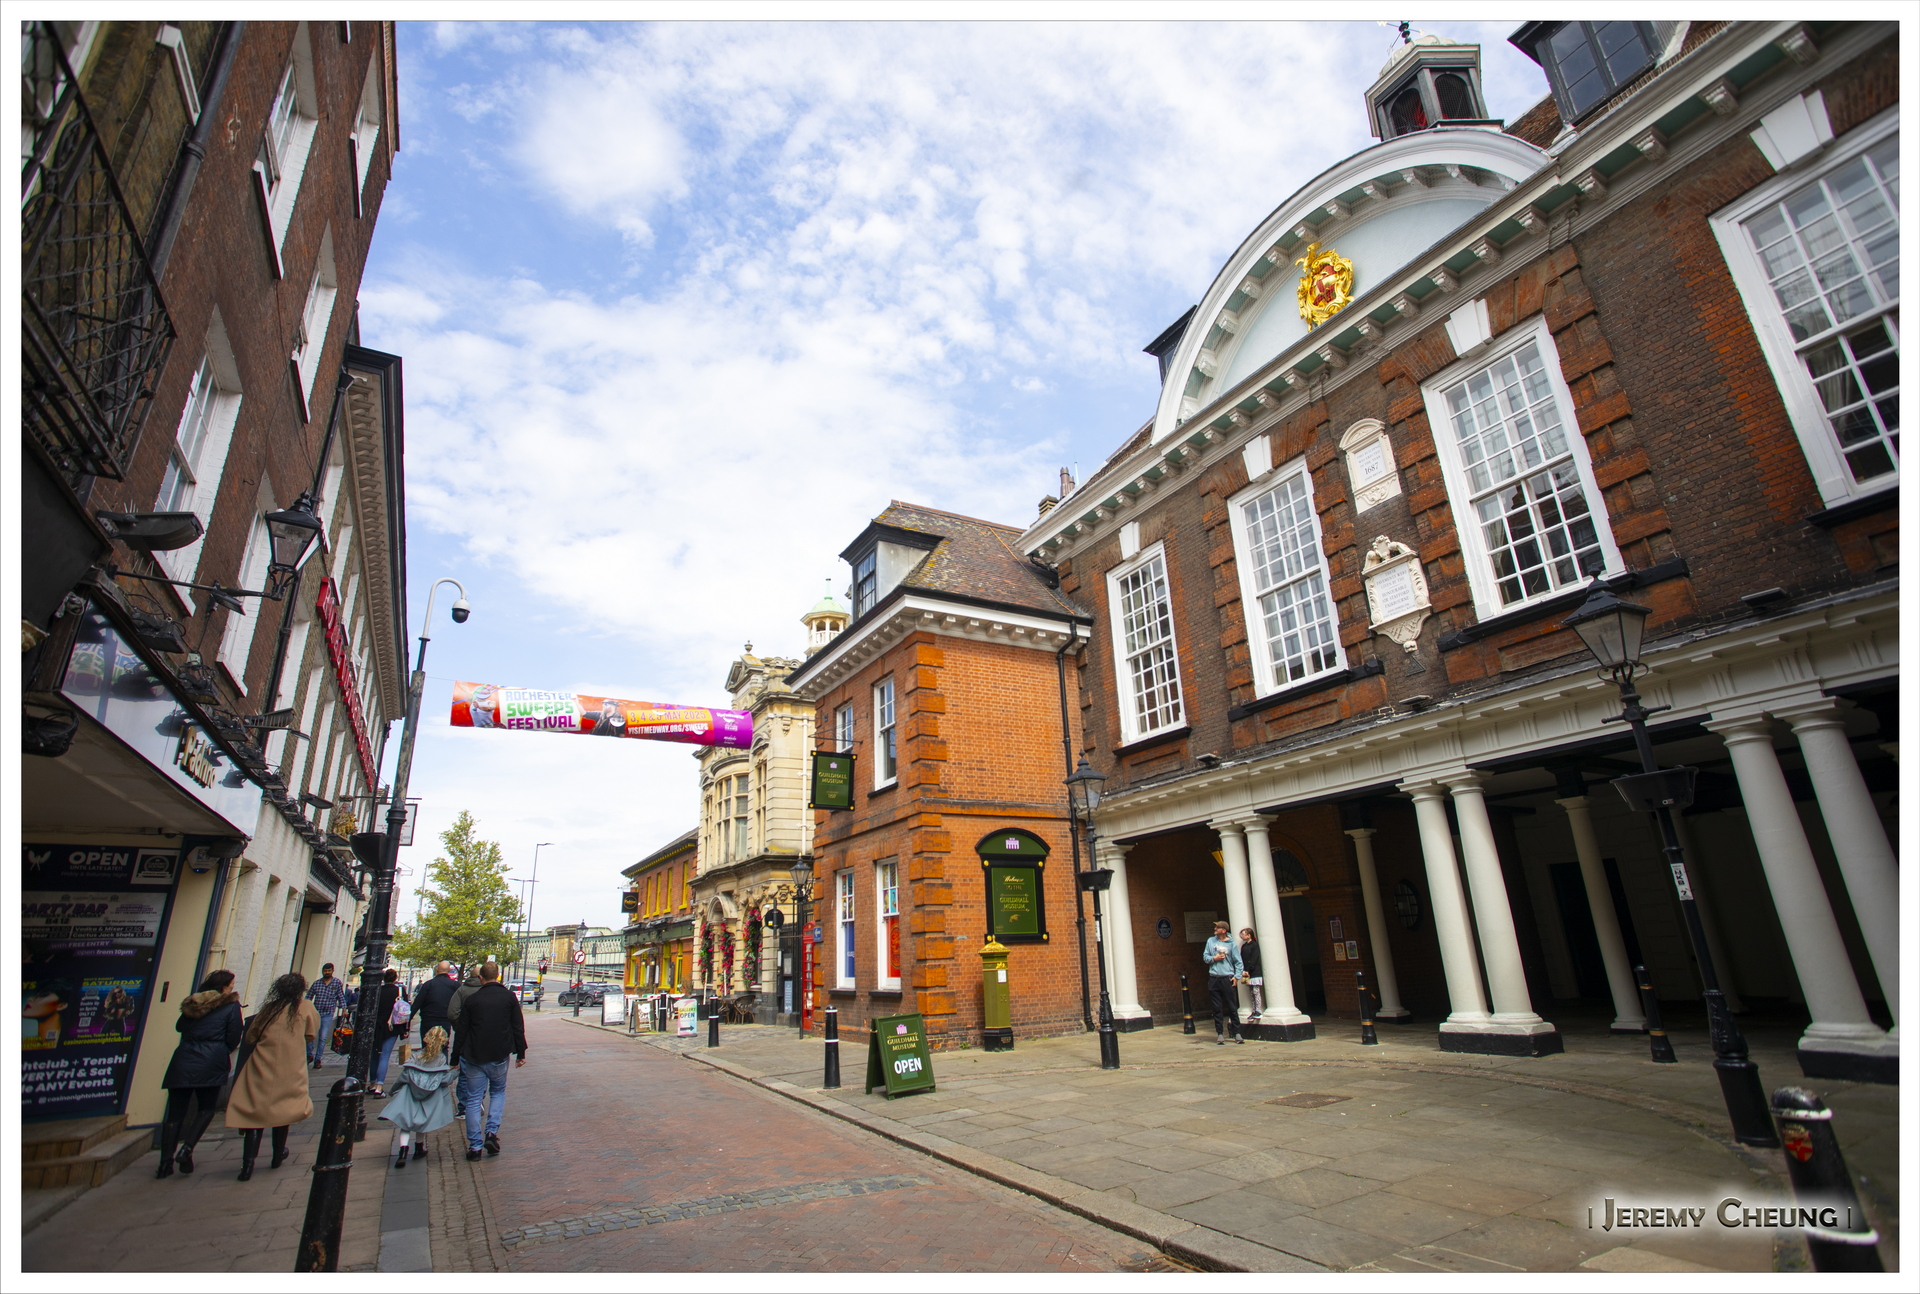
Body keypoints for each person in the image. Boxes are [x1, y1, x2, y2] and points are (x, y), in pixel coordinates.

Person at [226, 971, 319, 1180]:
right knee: (284, 1111)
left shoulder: (269, 1009)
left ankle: (247, 1165)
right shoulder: (305, 1007)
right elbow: (311, 1033)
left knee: (254, 1114)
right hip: (290, 1068)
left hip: (261, 1066)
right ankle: (277, 1155)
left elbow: (251, 1036)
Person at [155, 969, 242, 1177]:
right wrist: (220, 1050)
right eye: (231, 985)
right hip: (211, 1063)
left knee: (175, 1114)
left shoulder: (194, 1002)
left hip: (183, 1060)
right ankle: (187, 1149)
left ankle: (165, 1164)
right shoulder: (230, 1006)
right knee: (206, 1108)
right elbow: (234, 1037)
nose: (232, 988)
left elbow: (180, 1027)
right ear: (223, 988)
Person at [453, 962, 527, 1161]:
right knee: (498, 1092)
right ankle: (491, 1133)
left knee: (473, 1099)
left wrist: (454, 1057)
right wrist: (521, 1053)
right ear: (498, 975)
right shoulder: (509, 997)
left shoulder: (472, 1000)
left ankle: (475, 1146)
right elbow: (518, 1026)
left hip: (475, 1056)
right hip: (499, 1055)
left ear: (480, 978)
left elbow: (462, 1031)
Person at [379, 1025, 458, 1169]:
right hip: (430, 1097)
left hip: (410, 1094)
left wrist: (393, 1090)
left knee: (405, 1123)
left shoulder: (416, 1056)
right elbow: (444, 1080)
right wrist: (454, 1073)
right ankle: (419, 1148)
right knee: (422, 1122)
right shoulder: (441, 1059)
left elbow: (404, 1075)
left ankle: (403, 1151)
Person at [1203, 920, 1244, 1045]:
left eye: (1217, 927)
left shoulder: (1232, 944)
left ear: (1224, 930)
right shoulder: (1211, 941)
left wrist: (1236, 977)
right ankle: (1220, 1033)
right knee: (1217, 1008)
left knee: (1232, 1007)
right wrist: (1214, 958)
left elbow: (1238, 962)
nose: (1215, 929)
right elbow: (1205, 957)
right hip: (1214, 977)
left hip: (1227, 977)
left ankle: (1237, 1033)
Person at [371, 968, 410, 1098]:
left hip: (377, 1026)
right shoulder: (399, 991)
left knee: (374, 1055)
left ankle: (372, 1083)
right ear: (395, 978)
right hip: (392, 1027)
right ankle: (379, 1086)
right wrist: (405, 1030)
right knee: (385, 1056)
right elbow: (404, 1012)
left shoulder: (377, 991)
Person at [305, 963, 347, 1069]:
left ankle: (318, 1059)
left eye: (329, 971)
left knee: (323, 1037)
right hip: (316, 1013)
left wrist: (344, 1009)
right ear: (322, 971)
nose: (327, 972)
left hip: (328, 1014)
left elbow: (341, 997)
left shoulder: (337, 983)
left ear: (332, 971)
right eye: (325, 971)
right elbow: (309, 997)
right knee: (311, 1034)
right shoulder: (317, 984)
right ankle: (309, 1055)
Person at [412, 961, 459, 1042]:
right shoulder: (455, 985)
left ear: (437, 969)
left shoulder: (428, 984)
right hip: (445, 1019)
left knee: (427, 1044)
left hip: (428, 1019)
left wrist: (407, 1021)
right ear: (449, 970)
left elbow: (418, 1003)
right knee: (442, 1044)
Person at [1239, 927, 1265, 1022]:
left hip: (1254, 972)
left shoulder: (1254, 945)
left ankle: (1258, 1010)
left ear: (1249, 935)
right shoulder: (1244, 946)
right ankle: (1253, 1010)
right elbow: (1242, 958)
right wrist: (1243, 969)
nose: (1242, 936)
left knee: (1256, 991)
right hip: (1247, 972)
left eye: (1243, 934)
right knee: (1251, 992)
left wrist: (1248, 969)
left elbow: (1254, 958)